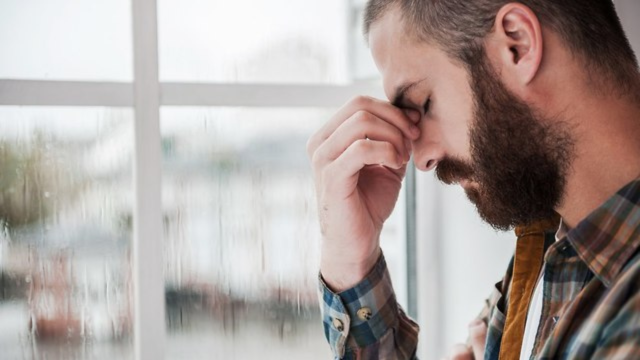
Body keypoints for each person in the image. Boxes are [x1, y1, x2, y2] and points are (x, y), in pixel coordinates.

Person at [306, 0, 640, 359]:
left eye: (423, 102)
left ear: (518, 44)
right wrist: (351, 262)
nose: (422, 159)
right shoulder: (547, 251)